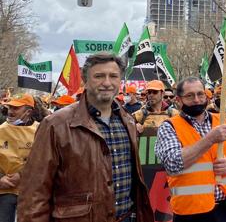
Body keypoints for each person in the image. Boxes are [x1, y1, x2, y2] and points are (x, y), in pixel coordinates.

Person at [17, 53, 154, 222]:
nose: (107, 82)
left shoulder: (128, 120)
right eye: (99, 76)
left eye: (113, 76)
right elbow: (34, 192)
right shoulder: (55, 125)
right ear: (85, 81)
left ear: (120, 81)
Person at [155, 77, 226, 222]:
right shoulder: (169, 127)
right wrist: (210, 139)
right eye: (190, 96)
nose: (197, 99)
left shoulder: (223, 122)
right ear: (178, 100)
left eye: (200, 94)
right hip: (191, 212)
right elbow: (173, 164)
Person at [0, 93, 37, 222]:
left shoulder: (41, 129)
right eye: (9, 107)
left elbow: (45, 160)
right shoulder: (1, 130)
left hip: (32, 191)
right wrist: (0, 179)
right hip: (5, 191)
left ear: (28, 112)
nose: (10, 111)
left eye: (15, 108)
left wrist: (21, 175)